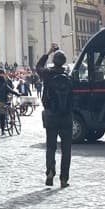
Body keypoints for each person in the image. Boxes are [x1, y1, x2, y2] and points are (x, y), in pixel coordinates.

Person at [36, 45, 73, 188]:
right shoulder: (68, 77)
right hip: (66, 116)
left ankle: (50, 171)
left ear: (54, 60)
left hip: (51, 115)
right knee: (66, 149)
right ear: (63, 62)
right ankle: (64, 179)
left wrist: (48, 53)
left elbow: (38, 66)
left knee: (51, 147)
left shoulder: (47, 74)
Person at [0, 70, 18, 135]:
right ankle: (2, 131)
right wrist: (17, 93)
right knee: (3, 117)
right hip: (4, 102)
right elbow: (11, 90)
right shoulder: (5, 84)